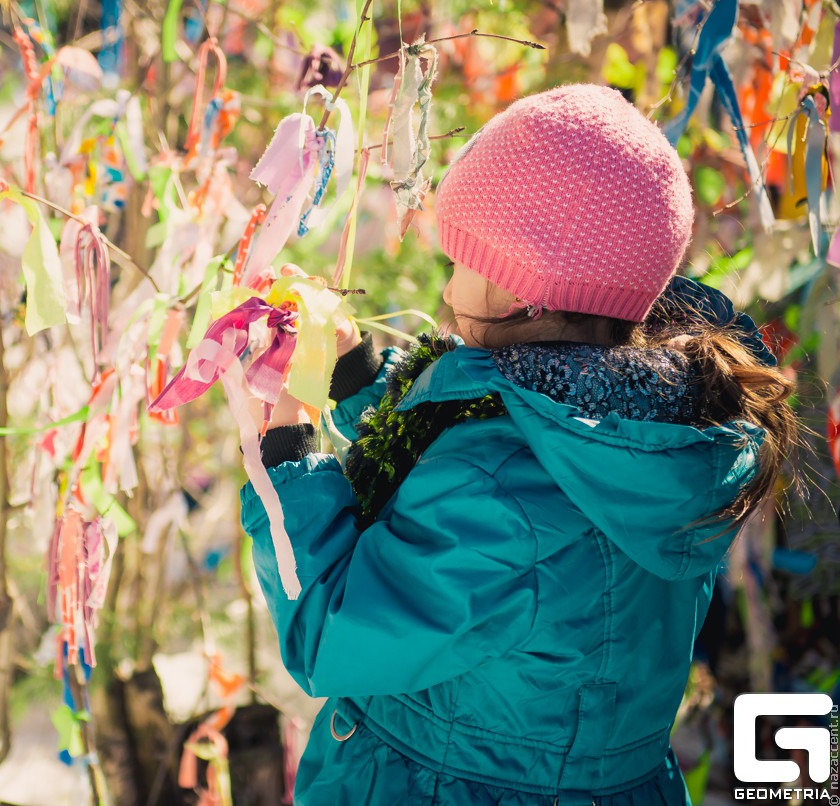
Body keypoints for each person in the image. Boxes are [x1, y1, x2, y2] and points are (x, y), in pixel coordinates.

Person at [241, 84, 797, 805]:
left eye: (461, 264)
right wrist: (354, 374)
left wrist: (284, 451)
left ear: (519, 294)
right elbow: (472, 464)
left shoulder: (502, 491)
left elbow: (332, 632)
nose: (444, 292)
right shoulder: (632, 425)